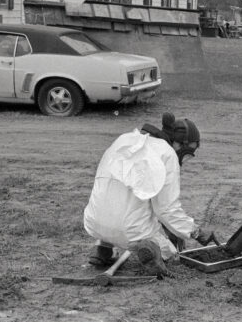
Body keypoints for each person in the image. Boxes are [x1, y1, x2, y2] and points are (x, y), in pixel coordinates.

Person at [83, 112, 219, 277]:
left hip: (93, 222)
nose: (184, 157)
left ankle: (103, 248)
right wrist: (196, 231)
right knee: (171, 253)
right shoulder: (167, 154)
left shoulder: (124, 139)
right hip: (130, 231)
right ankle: (152, 250)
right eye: (187, 151)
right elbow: (166, 210)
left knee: (122, 204)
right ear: (178, 143)